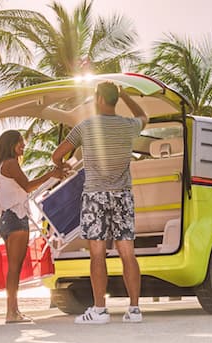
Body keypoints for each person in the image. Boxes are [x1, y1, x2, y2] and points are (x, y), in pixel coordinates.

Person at [52, 82, 148, 324]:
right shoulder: (128, 126)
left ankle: (99, 310)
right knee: (128, 253)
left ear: (99, 99)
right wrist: (126, 93)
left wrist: (61, 167)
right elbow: (143, 116)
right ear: (115, 99)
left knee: (97, 254)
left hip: (95, 195)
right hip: (122, 195)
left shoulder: (86, 127)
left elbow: (57, 154)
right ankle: (134, 310)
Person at [0, 130, 66, 323]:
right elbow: (27, 186)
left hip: (7, 219)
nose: (23, 146)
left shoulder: (1, 165)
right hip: (16, 218)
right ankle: (11, 312)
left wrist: (52, 176)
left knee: (13, 268)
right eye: (19, 143)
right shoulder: (11, 163)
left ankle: (13, 311)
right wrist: (51, 173)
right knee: (14, 268)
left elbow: (25, 188)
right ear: (11, 145)